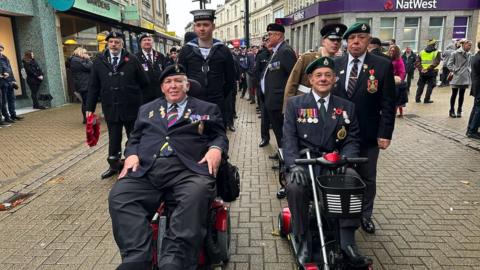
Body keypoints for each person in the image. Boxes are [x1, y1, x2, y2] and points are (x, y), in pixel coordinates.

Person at [108, 64, 228, 270]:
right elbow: (134, 138)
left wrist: (216, 148)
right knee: (120, 195)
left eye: (178, 81)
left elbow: (219, 135)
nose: (173, 86)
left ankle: (175, 259)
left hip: (188, 171)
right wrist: (131, 154)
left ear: (187, 85)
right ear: (162, 88)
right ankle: (137, 256)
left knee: (195, 196)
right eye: (168, 82)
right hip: (148, 170)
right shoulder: (146, 110)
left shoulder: (206, 109)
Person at [283, 56, 371, 266]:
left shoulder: (346, 107)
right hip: (307, 162)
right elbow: (288, 138)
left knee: (353, 180)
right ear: (310, 80)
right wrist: (293, 164)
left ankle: (348, 241)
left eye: (328, 75)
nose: (323, 79)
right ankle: (303, 237)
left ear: (334, 80)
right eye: (318, 75)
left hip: (335, 163)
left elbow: (352, 138)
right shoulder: (295, 104)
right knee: (295, 186)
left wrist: (346, 160)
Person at [333, 23, 396, 234]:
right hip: (338, 135)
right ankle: (340, 213)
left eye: (361, 37)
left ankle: (365, 215)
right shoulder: (335, 63)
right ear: (347, 42)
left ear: (369, 41)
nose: (356, 42)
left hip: (369, 134)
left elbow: (388, 103)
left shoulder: (382, 65)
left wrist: (385, 133)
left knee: (368, 177)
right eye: (351, 38)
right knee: (340, 175)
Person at [86, 31, 149, 179]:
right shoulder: (99, 60)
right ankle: (113, 166)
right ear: (107, 43)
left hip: (131, 107)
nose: (114, 44)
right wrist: (90, 107)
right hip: (111, 106)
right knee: (114, 137)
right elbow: (93, 86)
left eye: (117, 42)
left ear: (122, 44)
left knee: (133, 136)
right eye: (111, 42)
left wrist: (140, 101)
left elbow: (144, 82)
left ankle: (135, 163)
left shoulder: (132, 60)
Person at [178, 9, 235, 125]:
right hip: (193, 104)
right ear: (194, 28)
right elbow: (181, 77)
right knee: (194, 138)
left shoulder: (223, 50)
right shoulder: (187, 50)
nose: (202, 28)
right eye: (198, 25)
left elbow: (230, 79)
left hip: (217, 104)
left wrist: (219, 95)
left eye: (206, 25)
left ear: (213, 26)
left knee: (217, 137)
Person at [283, 23, 347, 112]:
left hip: (327, 109)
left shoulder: (340, 63)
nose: (335, 43)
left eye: (338, 40)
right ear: (323, 41)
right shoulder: (307, 58)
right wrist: (287, 110)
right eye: (332, 39)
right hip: (303, 107)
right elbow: (291, 84)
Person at [260, 23, 296, 157]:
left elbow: (292, 77)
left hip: (279, 101)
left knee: (282, 130)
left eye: (270, 35)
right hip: (271, 99)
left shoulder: (285, 51)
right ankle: (281, 152)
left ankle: (285, 155)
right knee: (277, 129)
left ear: (279, 35)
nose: (268, 37)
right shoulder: (276, 51)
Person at [136, 33, 166, 104]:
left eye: (149, 40)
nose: (147, 42)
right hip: (144, 94)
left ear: (152, 42)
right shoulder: (136, 57)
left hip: (160, 93)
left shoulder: (160, 56)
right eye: (144, 40)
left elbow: (165, 72)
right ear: (140, 43)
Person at [447, 39, 472, 118]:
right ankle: (451, 110)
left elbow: (469, 64)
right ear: (463, 45)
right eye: (469, 45)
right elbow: (449, 64)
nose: (470, 47)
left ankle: (459, 110)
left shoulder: (469, 54)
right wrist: (455, 70)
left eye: (470, 45)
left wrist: (469, 70)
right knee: (454, 94)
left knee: (462, 95)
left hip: (465, 77)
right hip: (456, 77)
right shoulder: (455, 53)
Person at [68, 47, 93, 123]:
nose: (87, 55)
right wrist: (88, 59)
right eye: (85, 53)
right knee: (87, 103)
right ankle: (87, 119)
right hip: (83, 84)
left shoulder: (77, 60)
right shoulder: (76, 60)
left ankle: (87, 119)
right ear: (80, 53)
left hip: (84, 84)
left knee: (86, 102)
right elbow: (90, 67)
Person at [255, 34, 272, 147]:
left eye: (269, 40)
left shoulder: (279, 53)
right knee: (265, 117)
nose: (268, 43)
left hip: (276, 92)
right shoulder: (261, 55)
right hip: (264, 91)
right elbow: (257, 72)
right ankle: (265, 138)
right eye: (266, 41)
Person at [0, 45, 22, 123]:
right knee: (3, 101)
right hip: (3, 82)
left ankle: (13, 115)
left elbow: (10, 70)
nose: (1, 51)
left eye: (1, 49)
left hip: (10, 82)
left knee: (12, 99)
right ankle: (6, 117)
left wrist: (13, 80)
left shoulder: (5, 58)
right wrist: (3, 75)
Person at [415, 39, 441, 103]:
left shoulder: (421, 52)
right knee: (430, 86)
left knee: (420, 85)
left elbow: (417, 62)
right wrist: (428, 68)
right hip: (432, 72)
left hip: (422, 72)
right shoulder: (437, 52)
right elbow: (436, 62)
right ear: (434, 45)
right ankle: (426, 99)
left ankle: (417, 99)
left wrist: (421, 69)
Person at [388, 45, 407, 117]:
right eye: (390, 50)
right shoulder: (388, 58)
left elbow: (402, 72)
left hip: (396, 81)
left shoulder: (399, 60)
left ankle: (397, 113)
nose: (391, 52)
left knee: (398, 99)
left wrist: (399, 80)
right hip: (388, 80)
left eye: (393, 51)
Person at [467, 41, 480, 139]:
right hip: (479, 87)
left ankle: (470, 129)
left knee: (476, 107)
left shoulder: (475, 56)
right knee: (478, 109)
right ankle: (472, 130)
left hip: (476, 86)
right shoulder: (478, 58)